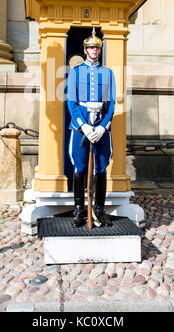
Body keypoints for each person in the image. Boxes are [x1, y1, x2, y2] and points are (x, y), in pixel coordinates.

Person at [66, 29, 116, 227]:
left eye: (97, 47)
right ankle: (79, 210)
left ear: (100, 50)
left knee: (101, 168)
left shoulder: (108, 73)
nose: (94, 50)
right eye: (91, 47)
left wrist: (103, 127)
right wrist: (84, 126)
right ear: (85, 50)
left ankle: (99, 210)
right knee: (80, 167)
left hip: (101, 127)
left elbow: (112, 103)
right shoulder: (76, 72)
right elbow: (72, 102)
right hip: (82, 127)